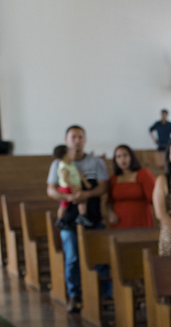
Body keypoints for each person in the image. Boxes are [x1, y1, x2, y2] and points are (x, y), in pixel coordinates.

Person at [46, 125, 109, 313]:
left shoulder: (95, 162)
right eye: (73, 137)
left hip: (92, 215)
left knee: (99, 255)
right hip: (69, 217)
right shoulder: (57, 163)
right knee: (72, 256)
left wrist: (86, 195)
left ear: (85, 140)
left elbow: (103, 187)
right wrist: (68, 198)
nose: (77, 140)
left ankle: (104, 295)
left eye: (81, 137)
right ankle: (74, 295)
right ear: (66, 139)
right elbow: (51, 190)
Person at [105, 144, 156, 229]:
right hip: (119, 224)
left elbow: (154, 198)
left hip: (140, 222)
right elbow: (109, 202)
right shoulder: (113, 179)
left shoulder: (143, 174)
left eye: (125, 155)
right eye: (118, 156)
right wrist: (110, 213)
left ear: (131, 156)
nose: (122, 159)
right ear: (115, 160)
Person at [51, 144, 93, 230]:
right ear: (65, 155)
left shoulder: (70, 164)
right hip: (67, 188)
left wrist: (85, 182)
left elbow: (79, 174)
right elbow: (65, 179)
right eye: (71, 152)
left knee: (64, 204)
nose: (73, 153)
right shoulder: (63, 166)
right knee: (81, 200)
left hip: (69, 187)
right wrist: (74, 186)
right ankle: (80, 216)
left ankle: (61, 220)